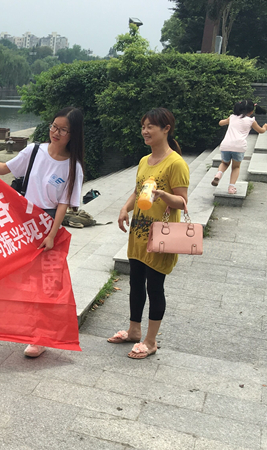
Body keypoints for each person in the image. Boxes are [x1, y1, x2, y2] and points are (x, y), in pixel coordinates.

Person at [0, 107, 85, 358]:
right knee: (18, 278)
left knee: (45, 283)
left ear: (73, 134)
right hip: (23, 221)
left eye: (63, 130)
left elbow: (63, 204)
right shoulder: (34, 151)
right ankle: (16, 326)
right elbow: (5, 168)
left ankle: (40, 337)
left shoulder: (73, 167)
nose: (56, 133)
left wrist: (52, 235)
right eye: (54, 126)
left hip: (47, 224)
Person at [108, 107, 189, 360]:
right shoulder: (144, 161)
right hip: (139, 232)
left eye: (150, 126)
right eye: (143, 126)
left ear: (166, 129)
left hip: (161, 235)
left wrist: (163, 195)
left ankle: (151, 341)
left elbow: (183, 202)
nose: (145, 131)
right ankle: (134, 331)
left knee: (155, 287)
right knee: (135, 283)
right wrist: (125, 208)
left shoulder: (176, 163)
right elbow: (137, 191)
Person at [211, 100, 267, 194]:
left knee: (224, 163)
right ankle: (231, 188)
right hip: (239, 147)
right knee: (236, 167)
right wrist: (265, 127)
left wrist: (226, 121)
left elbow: (221, 123)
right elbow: (260, 131)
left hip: (226, 145)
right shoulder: (251, 121)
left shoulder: (232, 117)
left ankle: (218, 174)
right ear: (251, 111)